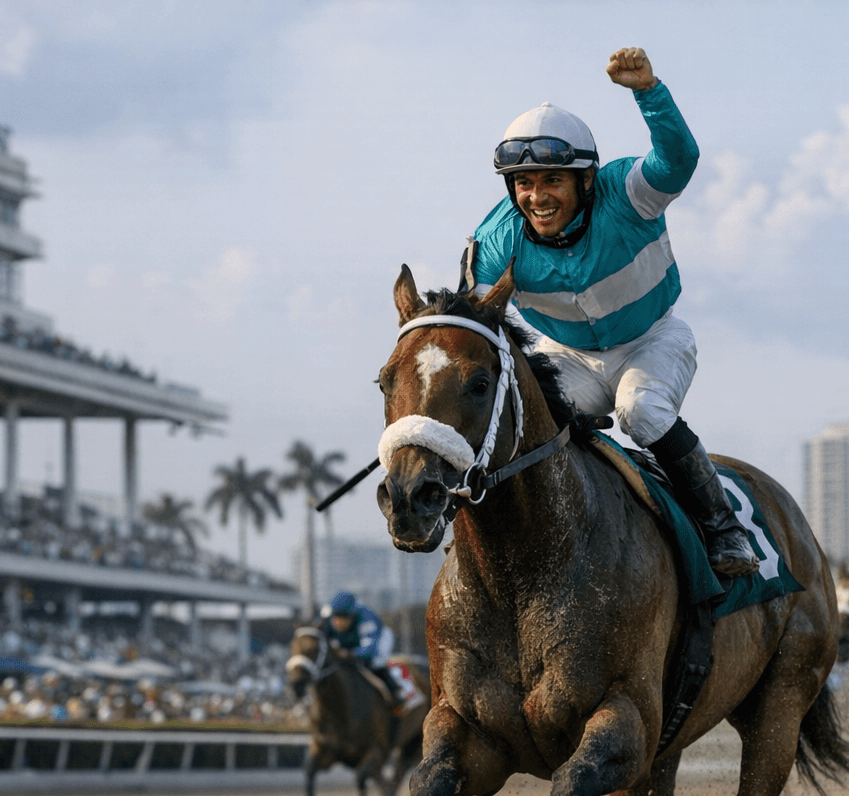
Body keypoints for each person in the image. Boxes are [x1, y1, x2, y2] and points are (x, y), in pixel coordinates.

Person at [468, 46, 758, 579]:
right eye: (524, 184)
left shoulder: (626, 193)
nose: (537, 197)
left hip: (652, 339)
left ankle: (722, 527)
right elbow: (476, 329)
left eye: (552, 180)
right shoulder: (494, 242)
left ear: (584, 179)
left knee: (641, 412)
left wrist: (649, 92)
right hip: (569, 357)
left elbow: (679, 161)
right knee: (520, 422)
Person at [321, 591, 400, 705]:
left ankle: (395, 694)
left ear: (353, 615)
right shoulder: (326, 618)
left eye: (344, 618)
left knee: (375, 663)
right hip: (352, 641)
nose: (339, 623)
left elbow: (369, 649)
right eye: (336, 617)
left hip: (379, 639)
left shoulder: (366, 619)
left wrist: (349, 654)